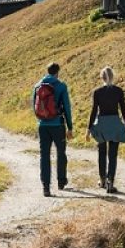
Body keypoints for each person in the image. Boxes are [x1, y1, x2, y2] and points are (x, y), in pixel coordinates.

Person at [86, 65, 125, 193]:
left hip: (102, 124)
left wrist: (88, 129)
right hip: (115, 123)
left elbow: (94, 111)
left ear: (102, 77)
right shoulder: (118, 91)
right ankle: (111, 182)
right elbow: (123, 109)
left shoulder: (97, 92)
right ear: (112, 76)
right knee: (113, 154)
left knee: (102, 153)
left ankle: (102, 180)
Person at [32, 62, 73, 197]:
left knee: (44, 155)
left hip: (43, 126)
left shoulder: (38, 86)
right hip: (58, 125)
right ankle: (61, 182)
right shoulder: (61, 86)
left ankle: (46, 187)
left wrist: (41, 121)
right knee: (61, 152)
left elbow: (35, 106)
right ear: (57, 72)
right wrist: (70, 127)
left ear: (47, 71)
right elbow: (66, 107)